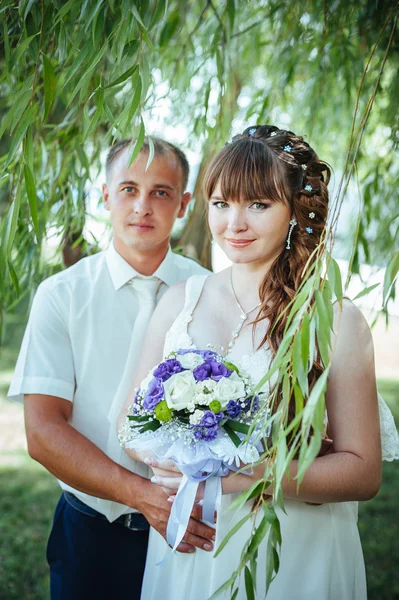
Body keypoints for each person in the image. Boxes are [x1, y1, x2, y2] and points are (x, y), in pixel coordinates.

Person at [119, 124, 399, 599]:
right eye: (222, 203)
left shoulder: (336, 320)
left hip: (292, 548)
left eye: (258, 204)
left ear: (295, 210)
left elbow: (363, 472)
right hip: (193, 544)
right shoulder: (178, 303)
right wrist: (174, 458)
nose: (235, 224)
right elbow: (131, 427)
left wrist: (248, 475)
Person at [8, 136, 215, 600]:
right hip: (90, 534)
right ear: (105, 196)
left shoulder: (210, 292)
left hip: (191, 534)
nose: (143, 205)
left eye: (161, 192)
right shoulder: (61, 296)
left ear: (183, 204)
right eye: (128, 189)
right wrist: (142, 497)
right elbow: (42, 433)